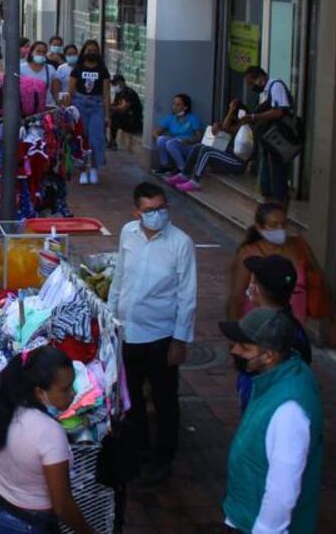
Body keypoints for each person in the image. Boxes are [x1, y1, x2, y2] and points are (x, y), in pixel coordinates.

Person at [108, 182, 196, 485]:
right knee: (131, 396)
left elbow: (187, 294)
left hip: (161, 335)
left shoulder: (180, 243)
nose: (156, 215)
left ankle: (164, 457)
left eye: (161, 208)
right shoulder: (127, 234)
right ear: (137, 211)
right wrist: (111, 316)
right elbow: (119, 276)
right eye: (149, 210)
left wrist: (180, 339)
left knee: (164, 399)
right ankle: (140, 449)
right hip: (128, 331)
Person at [219, 308, 324, 534]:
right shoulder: (272, 378)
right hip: (243, 513)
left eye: (245, 348)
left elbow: (282, 493)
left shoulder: (289, 410)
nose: (235, 350)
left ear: (269, 356)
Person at [0, 346, 97, 534]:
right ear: (40, 392)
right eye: (65, 389)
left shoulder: (6, 409)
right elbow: (62, 506)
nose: (73, 394)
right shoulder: (49, 432)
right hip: (27, 525)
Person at [228, 202, 336, 346]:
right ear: (259, 227)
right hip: (259, 333)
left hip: (292, 331)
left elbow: (320, 279)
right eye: (273, 225)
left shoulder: (299, 246)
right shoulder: (248, 253)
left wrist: (331, 319)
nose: (280, 229)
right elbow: (236, 297)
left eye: (284, 224)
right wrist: (235, 339)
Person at [228, 254, 312, 412]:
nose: (236, 350)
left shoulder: (263, 334)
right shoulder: (294, 329)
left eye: (253, 281)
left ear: (256, 290)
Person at [167, 98, 248, 192]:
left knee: (207, 151)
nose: (229, 118)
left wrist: (231, 110)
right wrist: (219, 129)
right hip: (227, 159)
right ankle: (184, 174)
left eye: (231, 116)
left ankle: (195, 182)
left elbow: (226, 128)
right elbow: (221, 137)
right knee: (198, 147)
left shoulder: (244, 128)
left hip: (238, 163)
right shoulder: (229, 128)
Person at [240, 66, 295, 202]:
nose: (252, 87)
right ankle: (269, 202)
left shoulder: (276, 86)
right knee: (268, 175)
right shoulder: (268, 92)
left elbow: (279, 111)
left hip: (280, 139)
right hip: (270, 140)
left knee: (277, 176)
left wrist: (254, 117)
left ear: (261, 77)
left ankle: (278, 205)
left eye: (252, 83)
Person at [68, 40, 111, 185]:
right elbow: (71, 91)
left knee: (96, 138)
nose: (91, 52)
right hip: (80, 104)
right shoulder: (77, 69)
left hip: (97, 105)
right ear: (84, 52)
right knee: (81, 138)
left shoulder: (103, 70)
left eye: (94, 50)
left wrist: (107, 115)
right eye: (89, 50)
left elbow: (106, 93)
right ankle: (82, 170)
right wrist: (68, 110)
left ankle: (94, 168)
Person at [108, 74, 143, 149]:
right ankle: (108, 140)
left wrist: (112, 109)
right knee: (109, 115)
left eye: (115, 84)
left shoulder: (129, 93)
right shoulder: (119, 93)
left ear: (121, 83)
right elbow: (115, 104)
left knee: (114, 116)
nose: (114, 86)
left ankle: (113, 142)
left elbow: (123, 108)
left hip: (133, 122)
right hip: (125, 119)